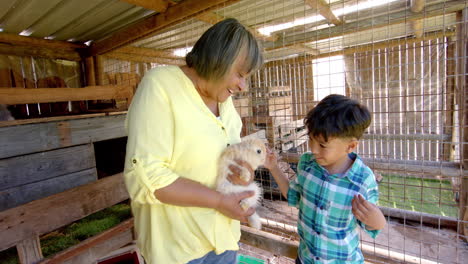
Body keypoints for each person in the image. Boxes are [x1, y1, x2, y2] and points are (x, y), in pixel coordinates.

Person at [123, 18, 263, 264]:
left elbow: (232, 159)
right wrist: (219, 201)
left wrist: (244, 176)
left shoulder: (226, 104)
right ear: (219, 59)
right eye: (240, 74)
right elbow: (147, 177)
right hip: (178, 250)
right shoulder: (161, 85)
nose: (243, 86)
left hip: (223, 239)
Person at [264, 94, 386, 264]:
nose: (313, 149)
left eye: (322, 145)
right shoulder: (307, 164)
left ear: (350, 146)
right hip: (305, 259)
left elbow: (371, 224)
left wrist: (378, 221)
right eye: (310, 139)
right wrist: (273, 167)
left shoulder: (362, 180)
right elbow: (293, 195)